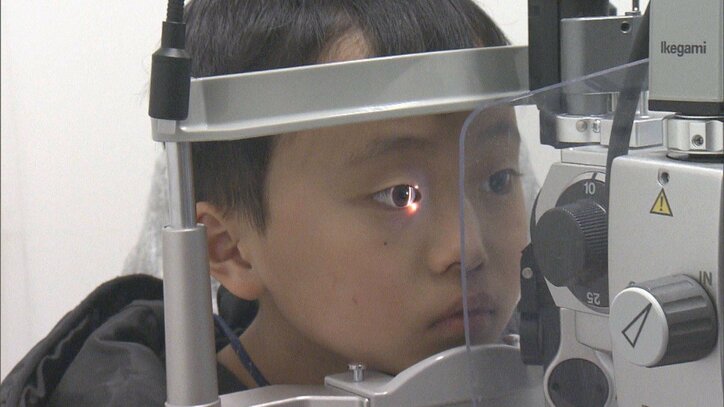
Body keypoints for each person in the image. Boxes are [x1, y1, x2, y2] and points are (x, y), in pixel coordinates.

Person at [1, 1, 533, 405]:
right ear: (230, 249)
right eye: (401, 196)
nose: (467, 249)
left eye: (497, 180)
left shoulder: (544, 376)